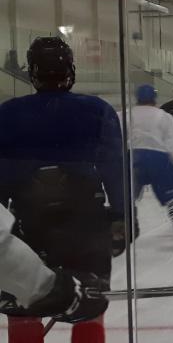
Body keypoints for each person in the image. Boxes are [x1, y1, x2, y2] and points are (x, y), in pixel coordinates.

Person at [0, 36, 124, 342]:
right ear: (70, 68)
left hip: (26, 222)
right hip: (84, 222)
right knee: (90, 306)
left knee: (23, 307)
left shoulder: (6, 113)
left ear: (32, 72)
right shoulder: (96, 109)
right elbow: (114, 166)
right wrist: (123, 214)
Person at [131, 84, 173, 252]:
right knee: (172, 196)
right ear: (154, 98)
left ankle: (120, 234)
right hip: (157, 159)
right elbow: (171, 145)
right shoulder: (164, 117)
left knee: (126, 196)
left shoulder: (126, 115)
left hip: (132, 158)